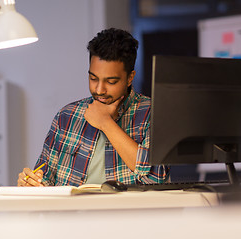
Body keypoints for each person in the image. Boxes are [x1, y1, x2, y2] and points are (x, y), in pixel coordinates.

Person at [17, 28, 169, 187]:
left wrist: (106, 123)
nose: (99, 90)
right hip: (72, 211)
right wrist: (30, 183)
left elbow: (157, 177)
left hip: (127, 211)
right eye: (93, 78)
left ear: (130, 78)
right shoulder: (66, 117)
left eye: (111, 82)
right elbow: (44, 179)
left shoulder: (152, 112)